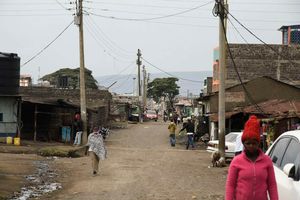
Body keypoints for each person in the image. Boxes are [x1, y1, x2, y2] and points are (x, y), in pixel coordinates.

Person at [225, 115, 278, 200]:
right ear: (243, 143)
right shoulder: (236, 161)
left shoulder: (267, 161)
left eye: (254, 143)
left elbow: (272, 185)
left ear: (258, 143)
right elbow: (230, 186)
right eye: (248, 143)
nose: (251, 146)